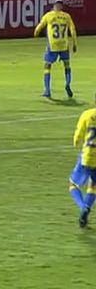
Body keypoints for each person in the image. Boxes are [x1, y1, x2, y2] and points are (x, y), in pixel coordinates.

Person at [34, 0, 78, 99]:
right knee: (67, 65)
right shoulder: (66, 16)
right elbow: (73, 30)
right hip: (64, 45)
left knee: (47, 66)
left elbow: (40, 26)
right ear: (61, 7)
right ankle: (67, 84)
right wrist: (74, 43)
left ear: (54, 6)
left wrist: (36, 32)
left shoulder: (49, 15)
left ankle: (47, 90)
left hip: (53, 45)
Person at [69, 97, 96, 227]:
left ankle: (83, 207)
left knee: (73, 184)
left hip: (87, 156)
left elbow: (78, 136)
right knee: (93, 187)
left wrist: (76, 143)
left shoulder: (87, 114)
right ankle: (86, 208)